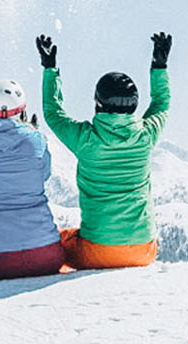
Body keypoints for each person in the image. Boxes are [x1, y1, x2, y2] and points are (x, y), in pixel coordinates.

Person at [38, 31, 171, 270]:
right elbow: (161, 103)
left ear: (97, 103)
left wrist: (50, 69)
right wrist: (159, 66)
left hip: (97, 252)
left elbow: (53, 112)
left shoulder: (86, 140)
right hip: (145, 250)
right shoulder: (146, 136)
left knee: (54, 244)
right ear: (135, 104)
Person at [0, 79, 67, 281]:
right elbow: (44, 174)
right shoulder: (37, 141)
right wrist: (31, 133)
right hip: (46, 255)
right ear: (21, 111)